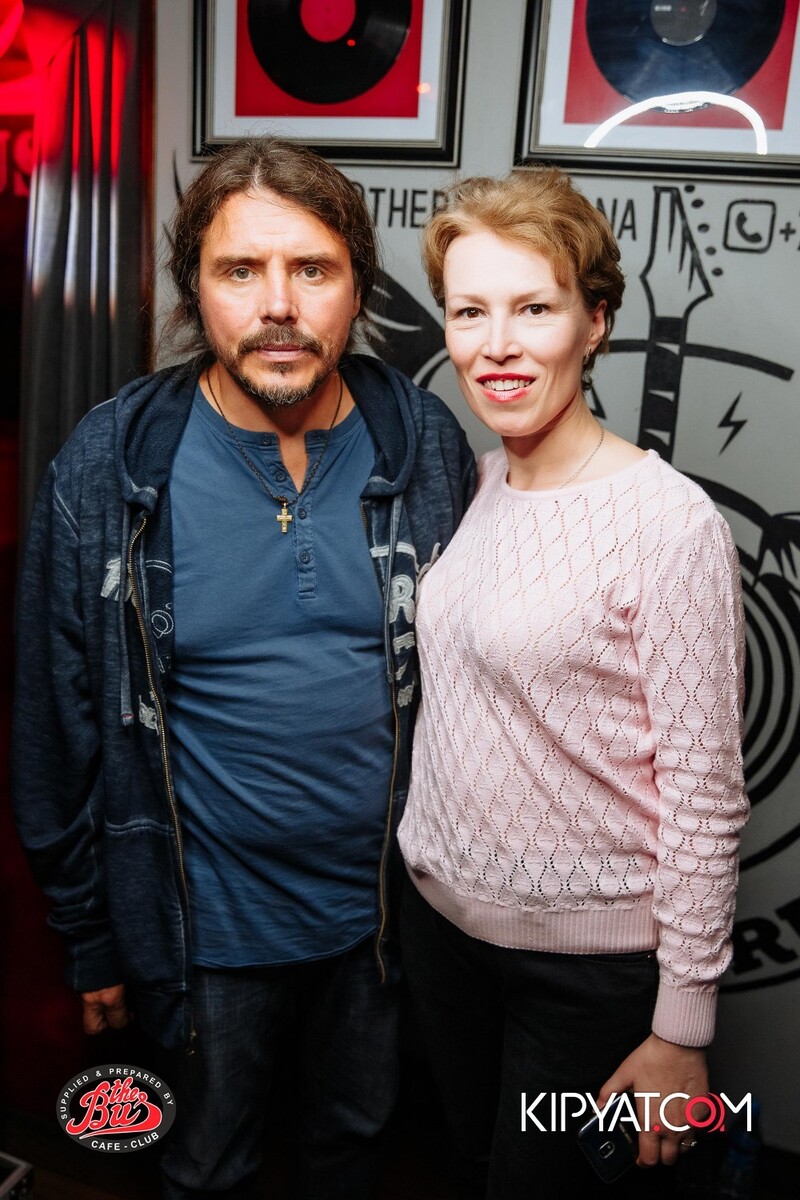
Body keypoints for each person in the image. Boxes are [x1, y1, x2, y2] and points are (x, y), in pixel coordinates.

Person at [12, 136, 476, 1199]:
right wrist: (88, 935)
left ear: (358, 285)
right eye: (240, 271)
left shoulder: (423, 443)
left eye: (312, 269)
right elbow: (54, 719)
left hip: (385, 925)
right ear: (194, 290)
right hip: (201, 932)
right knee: (205, 1166)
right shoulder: (112, 464)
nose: (278, 305)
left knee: (354, 1152)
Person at [397, 168, 749, 1198]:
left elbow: (704, 792)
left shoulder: (668, 524)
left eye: (534, 309)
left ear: (594, 323)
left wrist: (681, 1029)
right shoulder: (475, 482)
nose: (496, 345)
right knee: (461, 1168)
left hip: (586, 976)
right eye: (469, 311)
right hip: (440, 937)